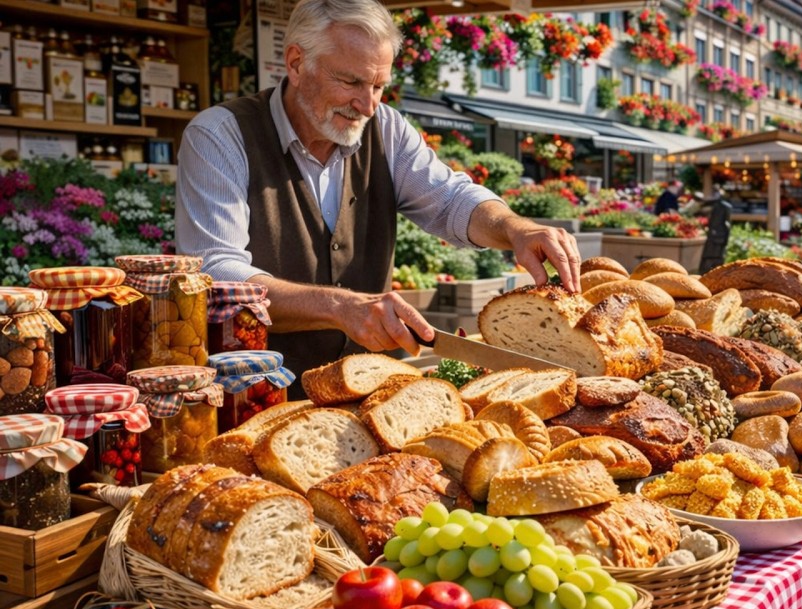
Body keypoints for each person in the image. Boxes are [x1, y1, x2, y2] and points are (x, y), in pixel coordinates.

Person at [175, 0, 581, 382]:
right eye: (351, 81)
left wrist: (514, 228)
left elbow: (450, 200)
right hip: (253, 393)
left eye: (378, 86)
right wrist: (340, 307)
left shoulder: (386, 128)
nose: (367, 105)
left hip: (366, 392)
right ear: (296, 63)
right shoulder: (221, 135)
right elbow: (215, 271)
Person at [697, 186, 733, 274]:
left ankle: (715, 273)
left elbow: (727, 223)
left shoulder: (724, 206)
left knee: (717, 257)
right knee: (709, 257)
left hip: (719, 236)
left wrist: (725, 238)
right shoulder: (713, 205)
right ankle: (707, 273)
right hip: (714, 235)